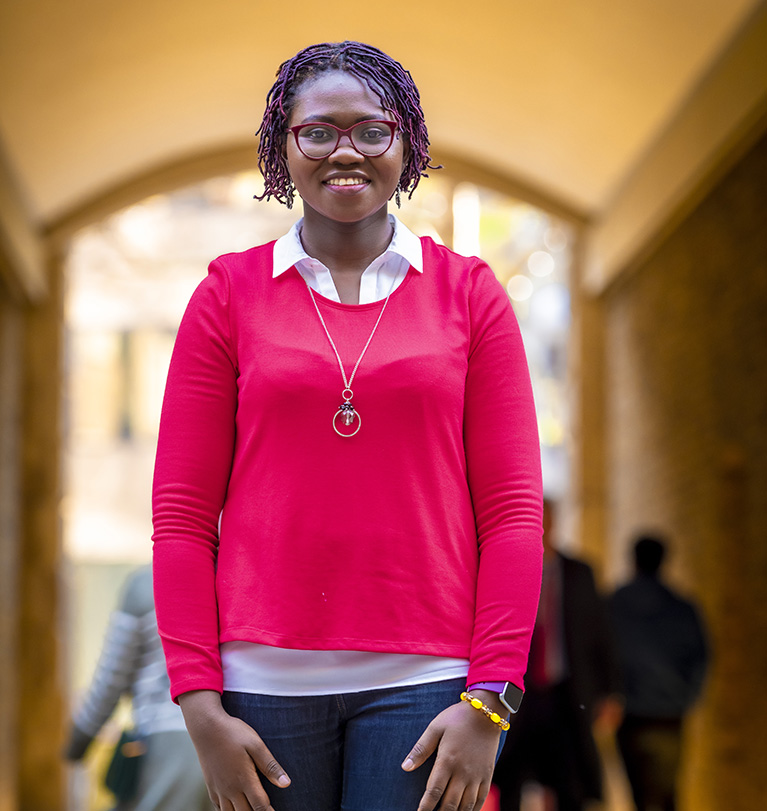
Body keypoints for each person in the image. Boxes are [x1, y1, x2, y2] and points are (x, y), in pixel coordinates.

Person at [151, 41, 543, 811]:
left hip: (425, 685)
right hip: (260, 690)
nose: (346, 153)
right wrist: (198, 703)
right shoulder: (227, 295)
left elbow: (512, 514)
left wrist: (490, 697)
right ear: (281, 145)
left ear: (407, 144)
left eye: (372, 130)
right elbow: (182, 518)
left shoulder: (470, 294)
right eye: (318, 131)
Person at [493, 498, 624, 811]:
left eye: (546, 518)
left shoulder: (580, 572)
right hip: (515, 695)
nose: (540, 526)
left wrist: (611, 691)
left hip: (566, 694)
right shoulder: (508, 568)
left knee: (570, 781)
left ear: (554, 522)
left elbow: (600, 635)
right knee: (510, 779)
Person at [65, 565, 211, 811]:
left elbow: (111, 678)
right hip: (234, 738)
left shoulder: (146, 583)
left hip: (164, 744)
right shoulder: (243, 577)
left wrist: (78, 741)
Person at [609, 535, 708, 811]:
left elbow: (601, 653)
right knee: (666, 793)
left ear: (634, 560)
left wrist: (611, 695)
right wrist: (685, 697)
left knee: (640, 793)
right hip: (669, 715)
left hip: (629, 713)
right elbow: (700, 658)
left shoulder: (615, 604)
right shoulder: (682, 608)